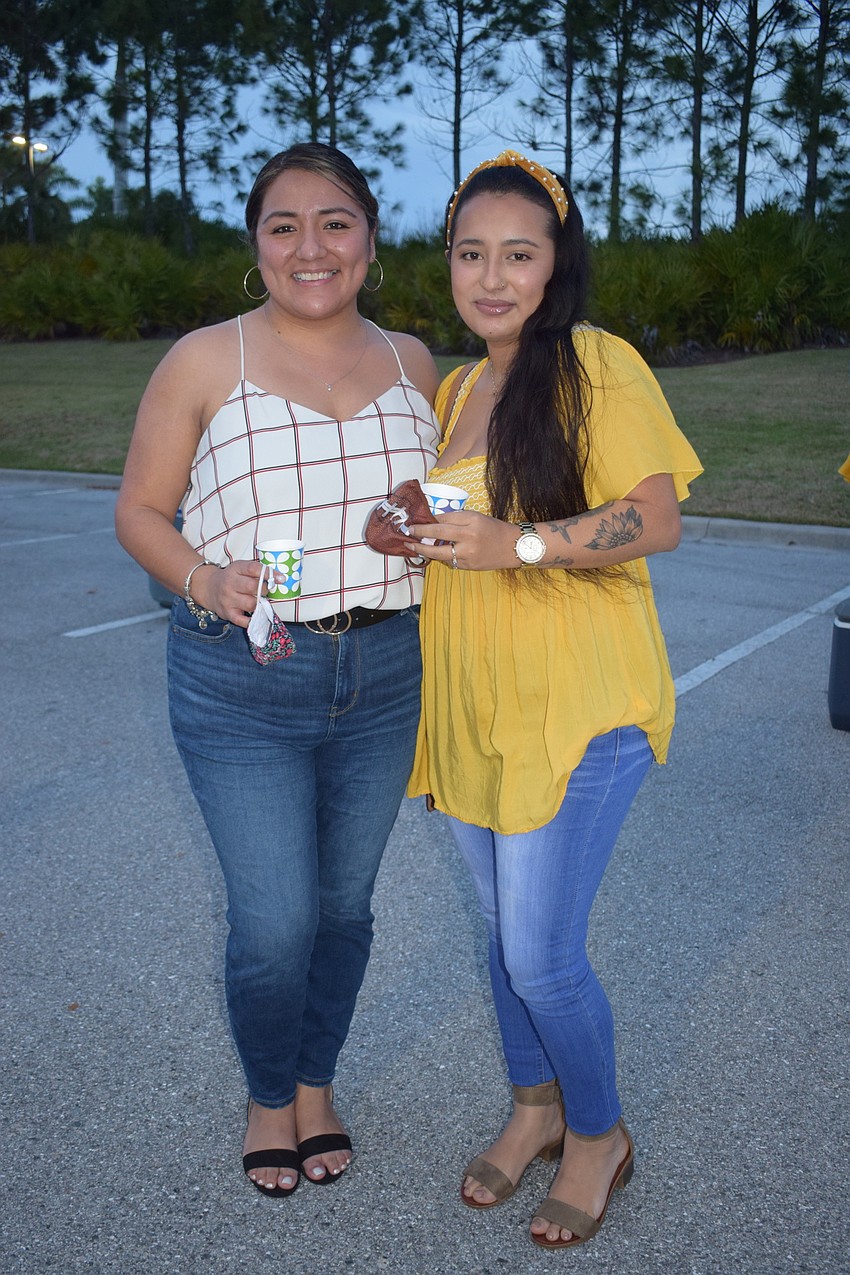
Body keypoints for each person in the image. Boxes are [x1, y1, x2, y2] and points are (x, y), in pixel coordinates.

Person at [115, 143, 440, 1198]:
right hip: (241, 678)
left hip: (384, 666)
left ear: (371, 240)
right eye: (285, 225)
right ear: (256, 245)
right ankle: (268, 1097)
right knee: (275, 920)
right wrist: (203, 578)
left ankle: (314, 1081)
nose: (312, 246)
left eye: (335, 222)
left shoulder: (413, 362)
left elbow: (429, 512)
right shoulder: (207, 360)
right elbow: (138, 512)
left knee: (345, 909)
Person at [405, 151, 702, 1250]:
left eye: (517, 254)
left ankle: (597, 1135)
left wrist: (515, 542)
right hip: (479, 705)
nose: (491, 276)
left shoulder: (592, 363)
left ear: (554, 265)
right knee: (498, 931)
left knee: (540, 955)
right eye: (471, 253)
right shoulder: (458, 386)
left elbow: (655, 517)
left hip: (577, 704)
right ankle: (531, 1108)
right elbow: (458, 540)